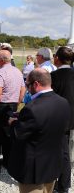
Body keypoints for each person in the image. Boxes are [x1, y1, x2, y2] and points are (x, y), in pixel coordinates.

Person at [8, 68, 70, 193]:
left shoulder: (31, 108)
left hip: (33, 170)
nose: (26, 88)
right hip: (52, 164)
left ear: (35, 84)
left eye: (27, 84)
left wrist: (13, 123)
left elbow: (18, 135)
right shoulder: (63, 102)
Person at [51, 46, 74, 193]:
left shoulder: (55, 76)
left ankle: (63, 185)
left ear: (57, 58)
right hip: (71, 117)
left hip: (59, 119)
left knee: (63, 152)